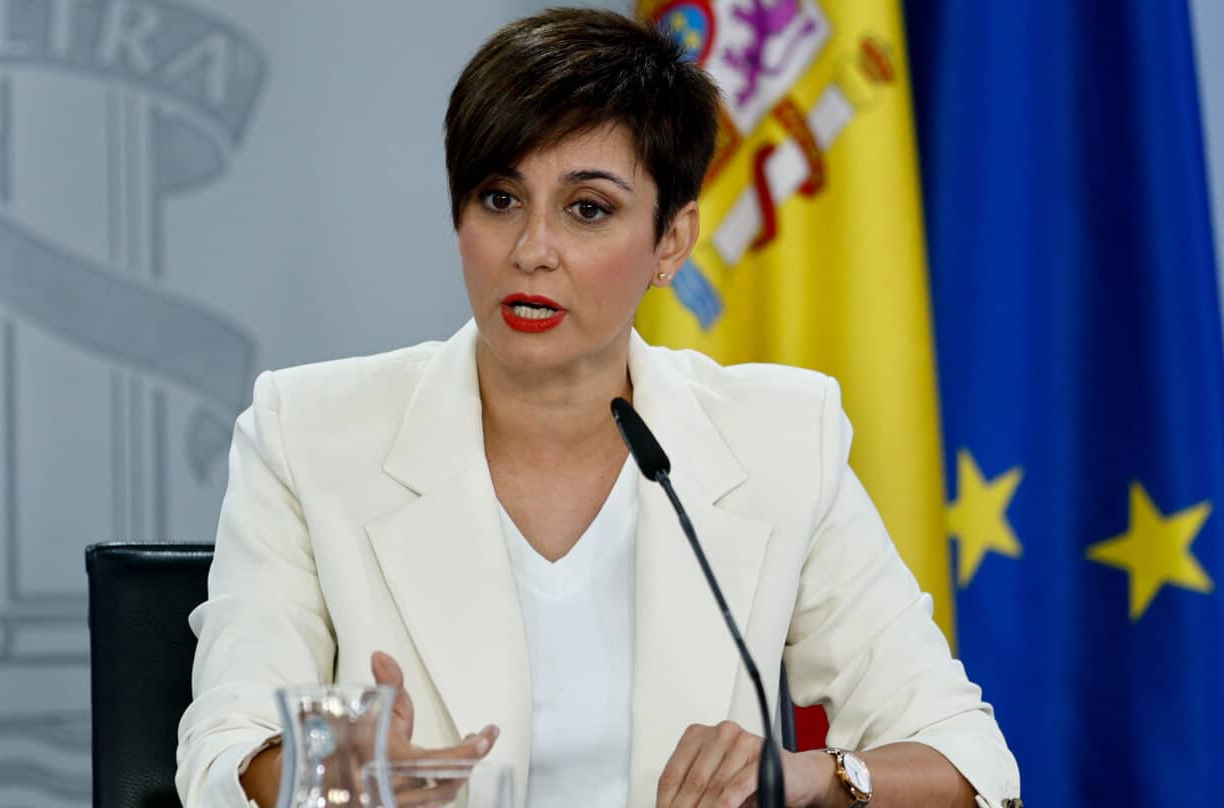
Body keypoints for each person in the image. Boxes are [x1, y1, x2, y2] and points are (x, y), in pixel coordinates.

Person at [176, 8, 1020, 808]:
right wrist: (339, 770)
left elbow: (967, 758)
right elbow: (221, 747)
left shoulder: (777, 439)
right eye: (499, 199)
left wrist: (809, 778)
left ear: (672, 242)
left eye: (588, 209)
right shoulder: (311, 433)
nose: (532, 250)